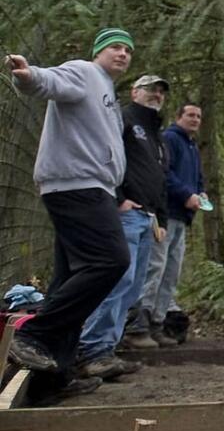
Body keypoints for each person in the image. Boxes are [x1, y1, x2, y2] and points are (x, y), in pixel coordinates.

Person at [4, 28, 134, 395]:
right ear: (98, 51)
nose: (122, 53)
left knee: (67, 280)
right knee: (111, 261)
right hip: (77, 186)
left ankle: (51, 380)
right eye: (114, 47)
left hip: (91, 187)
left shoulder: (106, 88)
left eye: (127, 49)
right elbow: (48, 82)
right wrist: (28, 75)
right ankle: (34, 336)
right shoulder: (84, 72)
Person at [75, 74, 170, 378]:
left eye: (160, 91)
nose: (156, 94)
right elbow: (105, 154)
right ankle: (90, 349)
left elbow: (160, 178)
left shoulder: (158, 135)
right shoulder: (125, 119)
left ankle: (105, 351)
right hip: (125, 213)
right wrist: (119, 198)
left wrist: (161, 217)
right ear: (134, 92)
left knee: (132, 289)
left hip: (147, 216)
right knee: (118, 281)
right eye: (150, 89)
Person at [126, 101, 204, 348]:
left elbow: (197, 178)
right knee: (155, 268)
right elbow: (164, 174)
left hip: (183, 217)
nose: (195, 120)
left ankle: (158, 324)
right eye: (190, 115)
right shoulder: (170, 138)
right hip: (165, 214)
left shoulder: (192, 146)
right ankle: (139, 325)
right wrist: (185, 195)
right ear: (179, 116)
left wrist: (200, 194)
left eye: (198, 116)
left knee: (171, 273)